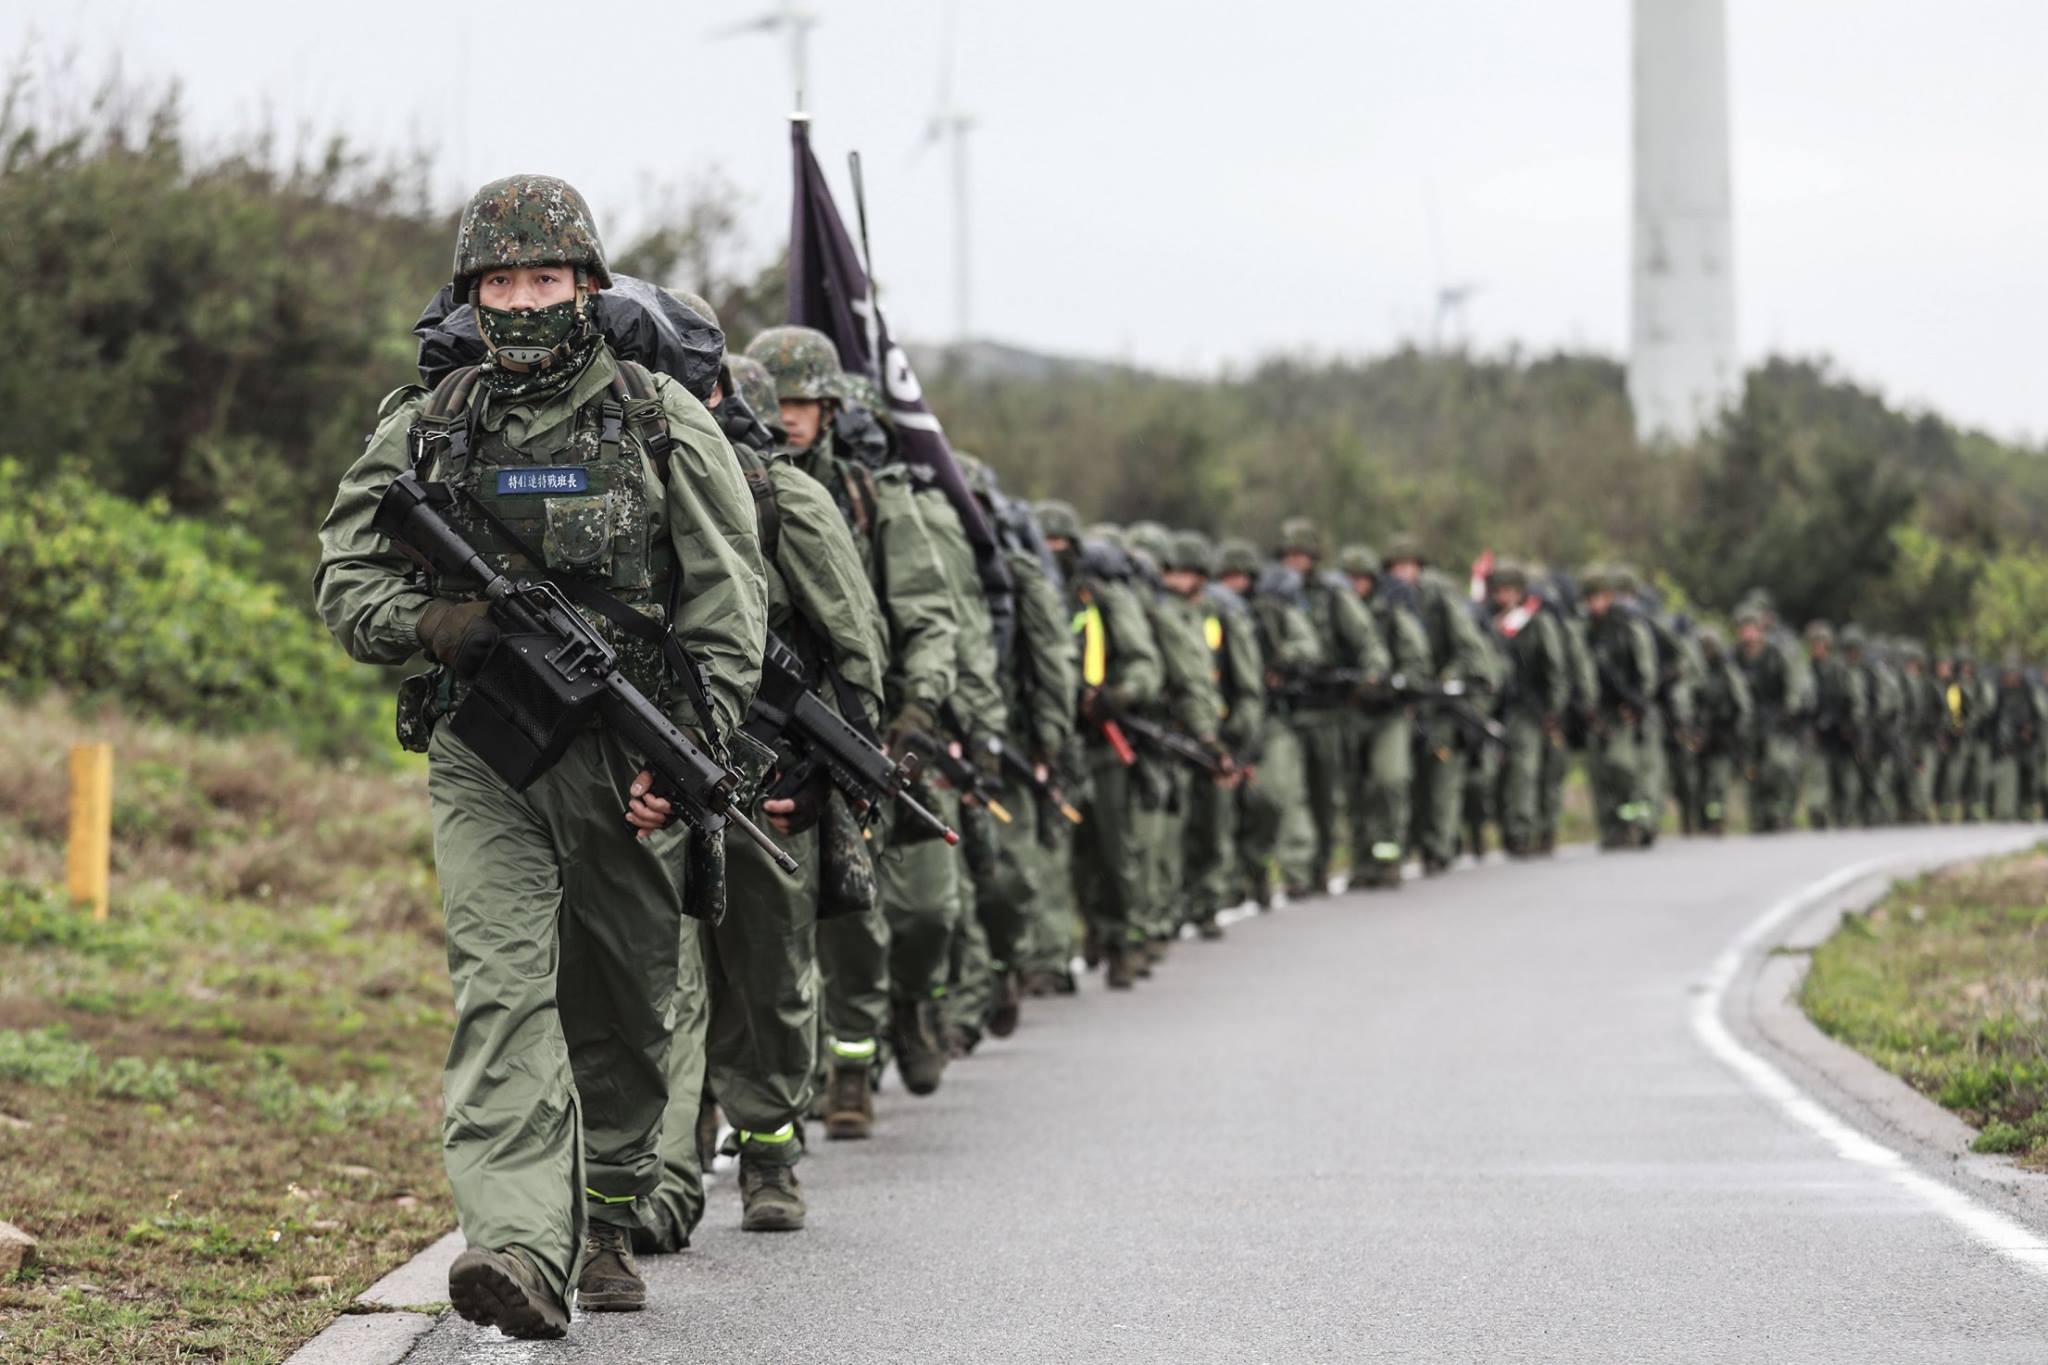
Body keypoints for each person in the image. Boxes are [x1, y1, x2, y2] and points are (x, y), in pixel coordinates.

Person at [315, 175, 767, 1336]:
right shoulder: (428, 424)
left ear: (588, 286)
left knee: (622, 1001)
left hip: (626, 756)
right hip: (488, 752)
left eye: (546, 279)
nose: (522, 301)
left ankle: (609, 1206)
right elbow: (347, 582)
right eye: (501, 281)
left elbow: (728, 605)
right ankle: (515, 1244)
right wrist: (445, 627)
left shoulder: (664, 421)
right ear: (472, 294)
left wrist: (691, 749)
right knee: (501, 989)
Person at [639, 321, 887, 1243]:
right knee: (661, 976)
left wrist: (829, 773)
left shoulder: (787, 500)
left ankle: (770, 1150)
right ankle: (664, 1179)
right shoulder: (627, 483)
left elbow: (855, 650)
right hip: (653, 763)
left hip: (767, 776)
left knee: (770, 978)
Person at [745, 325, 959, 1132]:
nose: (787, 414)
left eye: (803, 400)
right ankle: (816, 1077)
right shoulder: (732, 478)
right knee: (785, 915)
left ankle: (879, 1031)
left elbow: (927, 618)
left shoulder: (875, 499)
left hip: (871, 724)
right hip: (772, 724)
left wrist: (916, 712)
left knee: (900, 914)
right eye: (776, 397)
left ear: (831, 409)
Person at [1040, 502, 1164, 988]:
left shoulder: (1106, 599)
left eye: (1060, 544)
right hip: (1056, 742)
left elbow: (1144, 664)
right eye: (1044, 544)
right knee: (1059, 855)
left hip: (1104, 743)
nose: (1052, 552)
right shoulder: (1036, 592)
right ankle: (1056, 954)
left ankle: (1119, 942)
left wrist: (1119, 696)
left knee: (1113, 851)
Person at [1384, 534, 1496, 873]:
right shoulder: (1384, 599)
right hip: (1403, 700)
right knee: (1410, 778)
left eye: (1408, 566)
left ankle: (1439, 845)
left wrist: (1449, 679)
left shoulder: (1438, 597)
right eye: (1396, 567)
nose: (1402, 572)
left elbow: (1470, 649)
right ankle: (1416, 842)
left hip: (1441, 701)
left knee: (1443, 776)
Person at [1340, 544, 1430, 887]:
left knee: (1390, 781)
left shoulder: (1391, 612)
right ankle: (1362, 862)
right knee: (1355, 789)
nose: (1355, 585)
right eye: (1350, 579)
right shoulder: (1332, 610)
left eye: (1361, 579)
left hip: (1388, 712)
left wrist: (1397, 684)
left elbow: (1416, 659)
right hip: (1348, 711)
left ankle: (1389, 856)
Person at [1484, 560, 1568, 858]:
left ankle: (1532, 830)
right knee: (1507, 772)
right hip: (1502, 708)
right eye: (1499, 591)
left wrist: (1554, 708)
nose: (1504, 596)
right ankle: (1513, 830)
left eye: (1510, 590)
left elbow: (1555, 668)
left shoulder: (1537, 622)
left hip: (1533, 707)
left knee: (1532, 771)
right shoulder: (1489, 623)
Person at [1580, 566, 1659, 848]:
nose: (1595, 604)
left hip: (1627, 708)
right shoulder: (1585, 629)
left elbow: (1646, 671)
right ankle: (1612, 828)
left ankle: (1640, 823)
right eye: (1590, 598)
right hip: (1598, 709)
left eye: (1600, 597)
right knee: (1600, 772)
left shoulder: (1628, 625)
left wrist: (1636, 703)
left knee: (1623, 765)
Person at [1691, 626, 1753, 835]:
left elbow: (1742, 703)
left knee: (1718, 781)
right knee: (1699, 779)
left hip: (1723, 734)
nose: (1707, 651)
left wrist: (1738, 729)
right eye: (1704, 647)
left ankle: (1717, 820)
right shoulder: (1696, 670)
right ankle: (1703, 820)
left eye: (1710, 647)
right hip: (1701, 733)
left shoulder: (1727, 671)